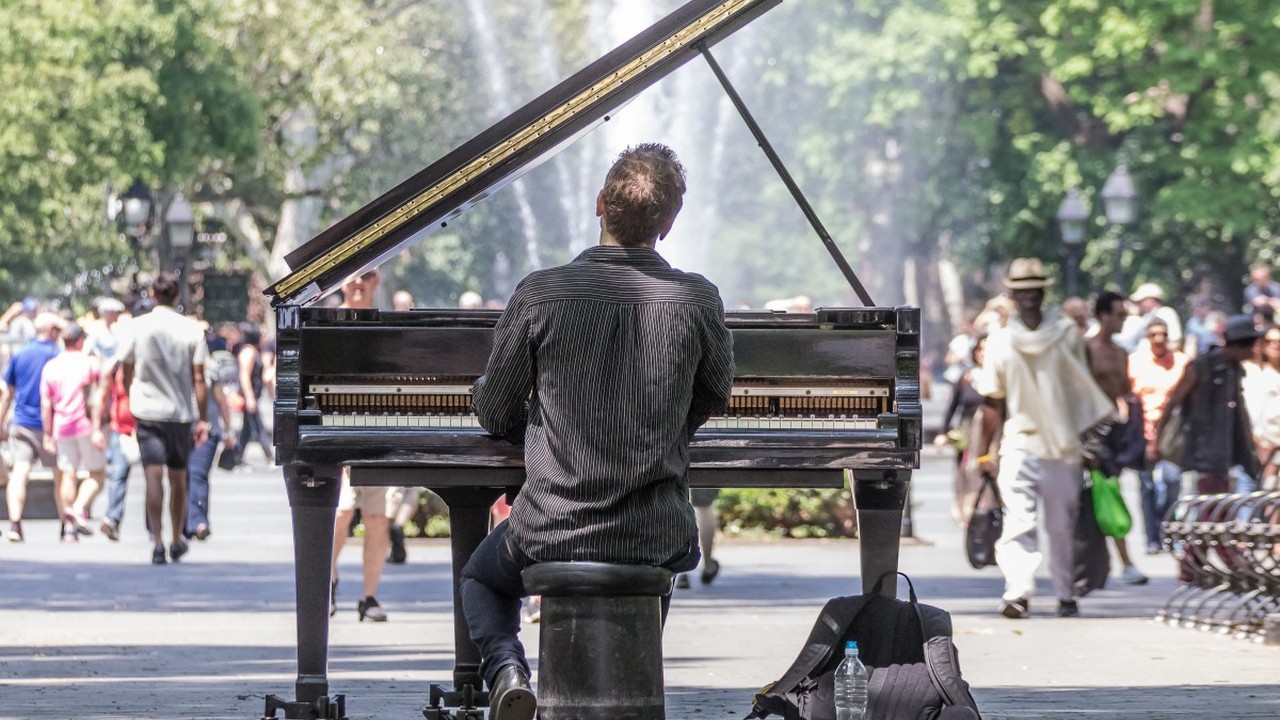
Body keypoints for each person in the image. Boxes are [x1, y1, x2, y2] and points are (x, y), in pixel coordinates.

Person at [460, 143, 734, 717]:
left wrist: (514, 411)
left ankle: (507, 670)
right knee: (655, 564)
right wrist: (665, 424)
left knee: (481, 580)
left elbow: (494, 411)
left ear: (599, 205)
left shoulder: (541, 293)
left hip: (551, 526)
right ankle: (627, 684)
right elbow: (713, 394)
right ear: (670, 223)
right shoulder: (697, 299)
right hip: (654, 528)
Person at [972, 258, 1113, 620]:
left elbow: (1084, 388)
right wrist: (984, 452)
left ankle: (1066, 592)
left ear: (1043, 292)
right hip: (1020, 442)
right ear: (1013, 294)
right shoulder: (1001, 340)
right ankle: (1017, 592)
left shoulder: (1066, 332)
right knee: (1018, 523)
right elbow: (993, 401)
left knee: (1061, 527)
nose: (1030, 296)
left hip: (1064, 446)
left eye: (1036, 289)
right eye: (1023, 290)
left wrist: (1089, 444)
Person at [118, 273, 209, 564]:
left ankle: (157, 541)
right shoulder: (192, 329)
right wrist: (203, 417)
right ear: (178, 296)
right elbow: (200, 378)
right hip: (180, 413)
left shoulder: (137, 327)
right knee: (178, 476)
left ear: (152, 295)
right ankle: (176, 537)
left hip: (147, 411)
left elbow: (126, 369)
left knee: (152, 476)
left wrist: (131, 392)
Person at [330, 268, 402, 622]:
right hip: (337, 434)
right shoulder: (327, 324)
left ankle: (369, 596)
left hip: (377, 433)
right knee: (340, 514)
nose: (358, 282)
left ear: (377, 281)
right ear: (341, 283)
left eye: (368, 275)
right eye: (352, 277)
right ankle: (327, 581)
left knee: (377, 519)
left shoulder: (385, 324)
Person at [1084, 291, 1148, 585]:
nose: (1124, 320)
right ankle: (1104, 562)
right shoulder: (1086, 349)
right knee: (1094, 497)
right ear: (1103, 315)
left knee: (1109, 493)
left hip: (1114, 432)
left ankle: (1119, 562)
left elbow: (1123, 392)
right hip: (1088, 432)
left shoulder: (1121, 352)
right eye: (1119, 314)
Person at [1158, 314, 1261, 494]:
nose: (1254, 351)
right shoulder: (1201, 366)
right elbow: (1173, 401)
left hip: (1222, 459)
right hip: (1198, 457)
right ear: (1239, 345)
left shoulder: (1233, 370)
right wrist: (1158, 439)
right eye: (1251, 346)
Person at [1128, 318, 1190, 554]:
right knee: (1147, 485)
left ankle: (1168, 529)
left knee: (1173, 481)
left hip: (1173, 434)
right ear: (1147, 337)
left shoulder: (1182, 363)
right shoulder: (1135, 363)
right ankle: (1152, 537)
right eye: (1154, 334)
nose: (1159, 339)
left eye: (1163, 334)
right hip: (1143, 431)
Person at [39, 323, 105, 542]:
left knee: (69, 473)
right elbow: (97, 398)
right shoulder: (90, 363)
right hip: (85, 424)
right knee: (97, 474)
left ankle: (69, 528)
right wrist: (97, 428)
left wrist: (48, 433)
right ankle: (77, 509)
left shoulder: (52, 366)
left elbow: (46, 404)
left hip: (62, 425)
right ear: (79, 341)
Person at [0, 312, 63, 541]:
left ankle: (15, 524)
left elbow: (8, 393)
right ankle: (67, 525)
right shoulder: (57, 355)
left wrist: (1, 421)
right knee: (61, 475)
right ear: (51, 331)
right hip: (51, 426)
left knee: (19, 472)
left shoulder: (20, 354)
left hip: (22, 422)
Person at [185, 335, 237, 541]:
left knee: (197, 473)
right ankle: (187, 522)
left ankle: (198, 522)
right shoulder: (178, 366)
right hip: (182, 427)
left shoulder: (210, 368)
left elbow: (221, 400)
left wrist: (229, 431)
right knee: (184, 475)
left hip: (209, 428)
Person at [1243, 324, 1280, 489]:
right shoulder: (1252, 372)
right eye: (1270, 341)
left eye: (1279, 341)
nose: (1275, 345)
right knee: (1266, 494)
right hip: (1261, 444)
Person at [235, 322, 272, 465]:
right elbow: (244, 376)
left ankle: (236, 457)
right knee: (258, 425)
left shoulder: (253, 351)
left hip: (252, 396)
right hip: (248, 396)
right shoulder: (248, 352)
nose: (263, 337)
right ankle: (269, 456)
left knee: (248, 428)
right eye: (261, 334)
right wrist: (250, 398)